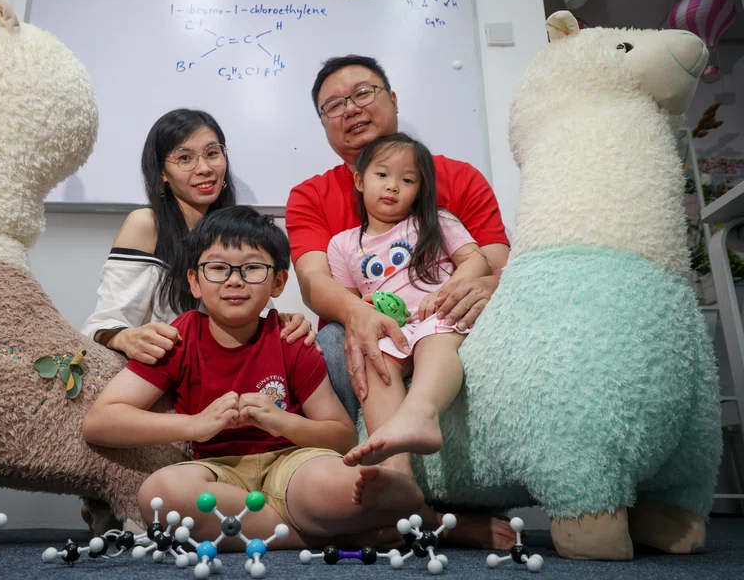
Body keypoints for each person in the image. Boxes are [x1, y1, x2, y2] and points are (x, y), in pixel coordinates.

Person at [82, 207, 433, 549]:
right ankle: (330, 535)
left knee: (329, 485)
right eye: (218, 268)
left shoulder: (289, 339)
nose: (234, 279)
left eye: (251, 268)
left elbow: (341, 437)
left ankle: (378, 500)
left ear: (278, 282)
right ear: (194, 281)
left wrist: (283, 423)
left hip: (294, 464)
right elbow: (100, 422)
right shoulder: (180, 338)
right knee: (161, 495)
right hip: (218, 473)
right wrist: (196, 425)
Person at [285, 55, 511, 422]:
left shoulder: (459, 176)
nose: (351, 109)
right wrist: (357, 311)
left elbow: (496, 266)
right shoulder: (310, 194)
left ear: (393, 99)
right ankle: (373, 465)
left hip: (442, 317)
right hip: (372, 326)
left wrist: (481, 286)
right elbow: (314, 282)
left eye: (363, 93)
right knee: (326, 345)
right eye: (334, 106)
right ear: (323, 124)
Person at [81, 108, 315, 366]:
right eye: (185, 157)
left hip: (225, 375)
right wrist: (124, 338)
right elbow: (101, 324)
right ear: (161, 172)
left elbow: (249, 314)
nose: (204, 168)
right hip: (161, 376)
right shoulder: (147, 224)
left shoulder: (233, 229)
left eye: (212, 154)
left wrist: (281, 322)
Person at [327, 133, 491, 475]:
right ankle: (395, 470)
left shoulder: (437, 221)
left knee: (434, 339)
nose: (392, 187)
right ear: (359, 179)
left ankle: (423, 415)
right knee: (375, 359)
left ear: (420, 189)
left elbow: (477, 263)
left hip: (441, 315)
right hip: (394, 329)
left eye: (407, 180)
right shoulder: (341, 245)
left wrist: (449, 292)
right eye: (382, 175)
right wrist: (366, 305)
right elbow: (350, 303)